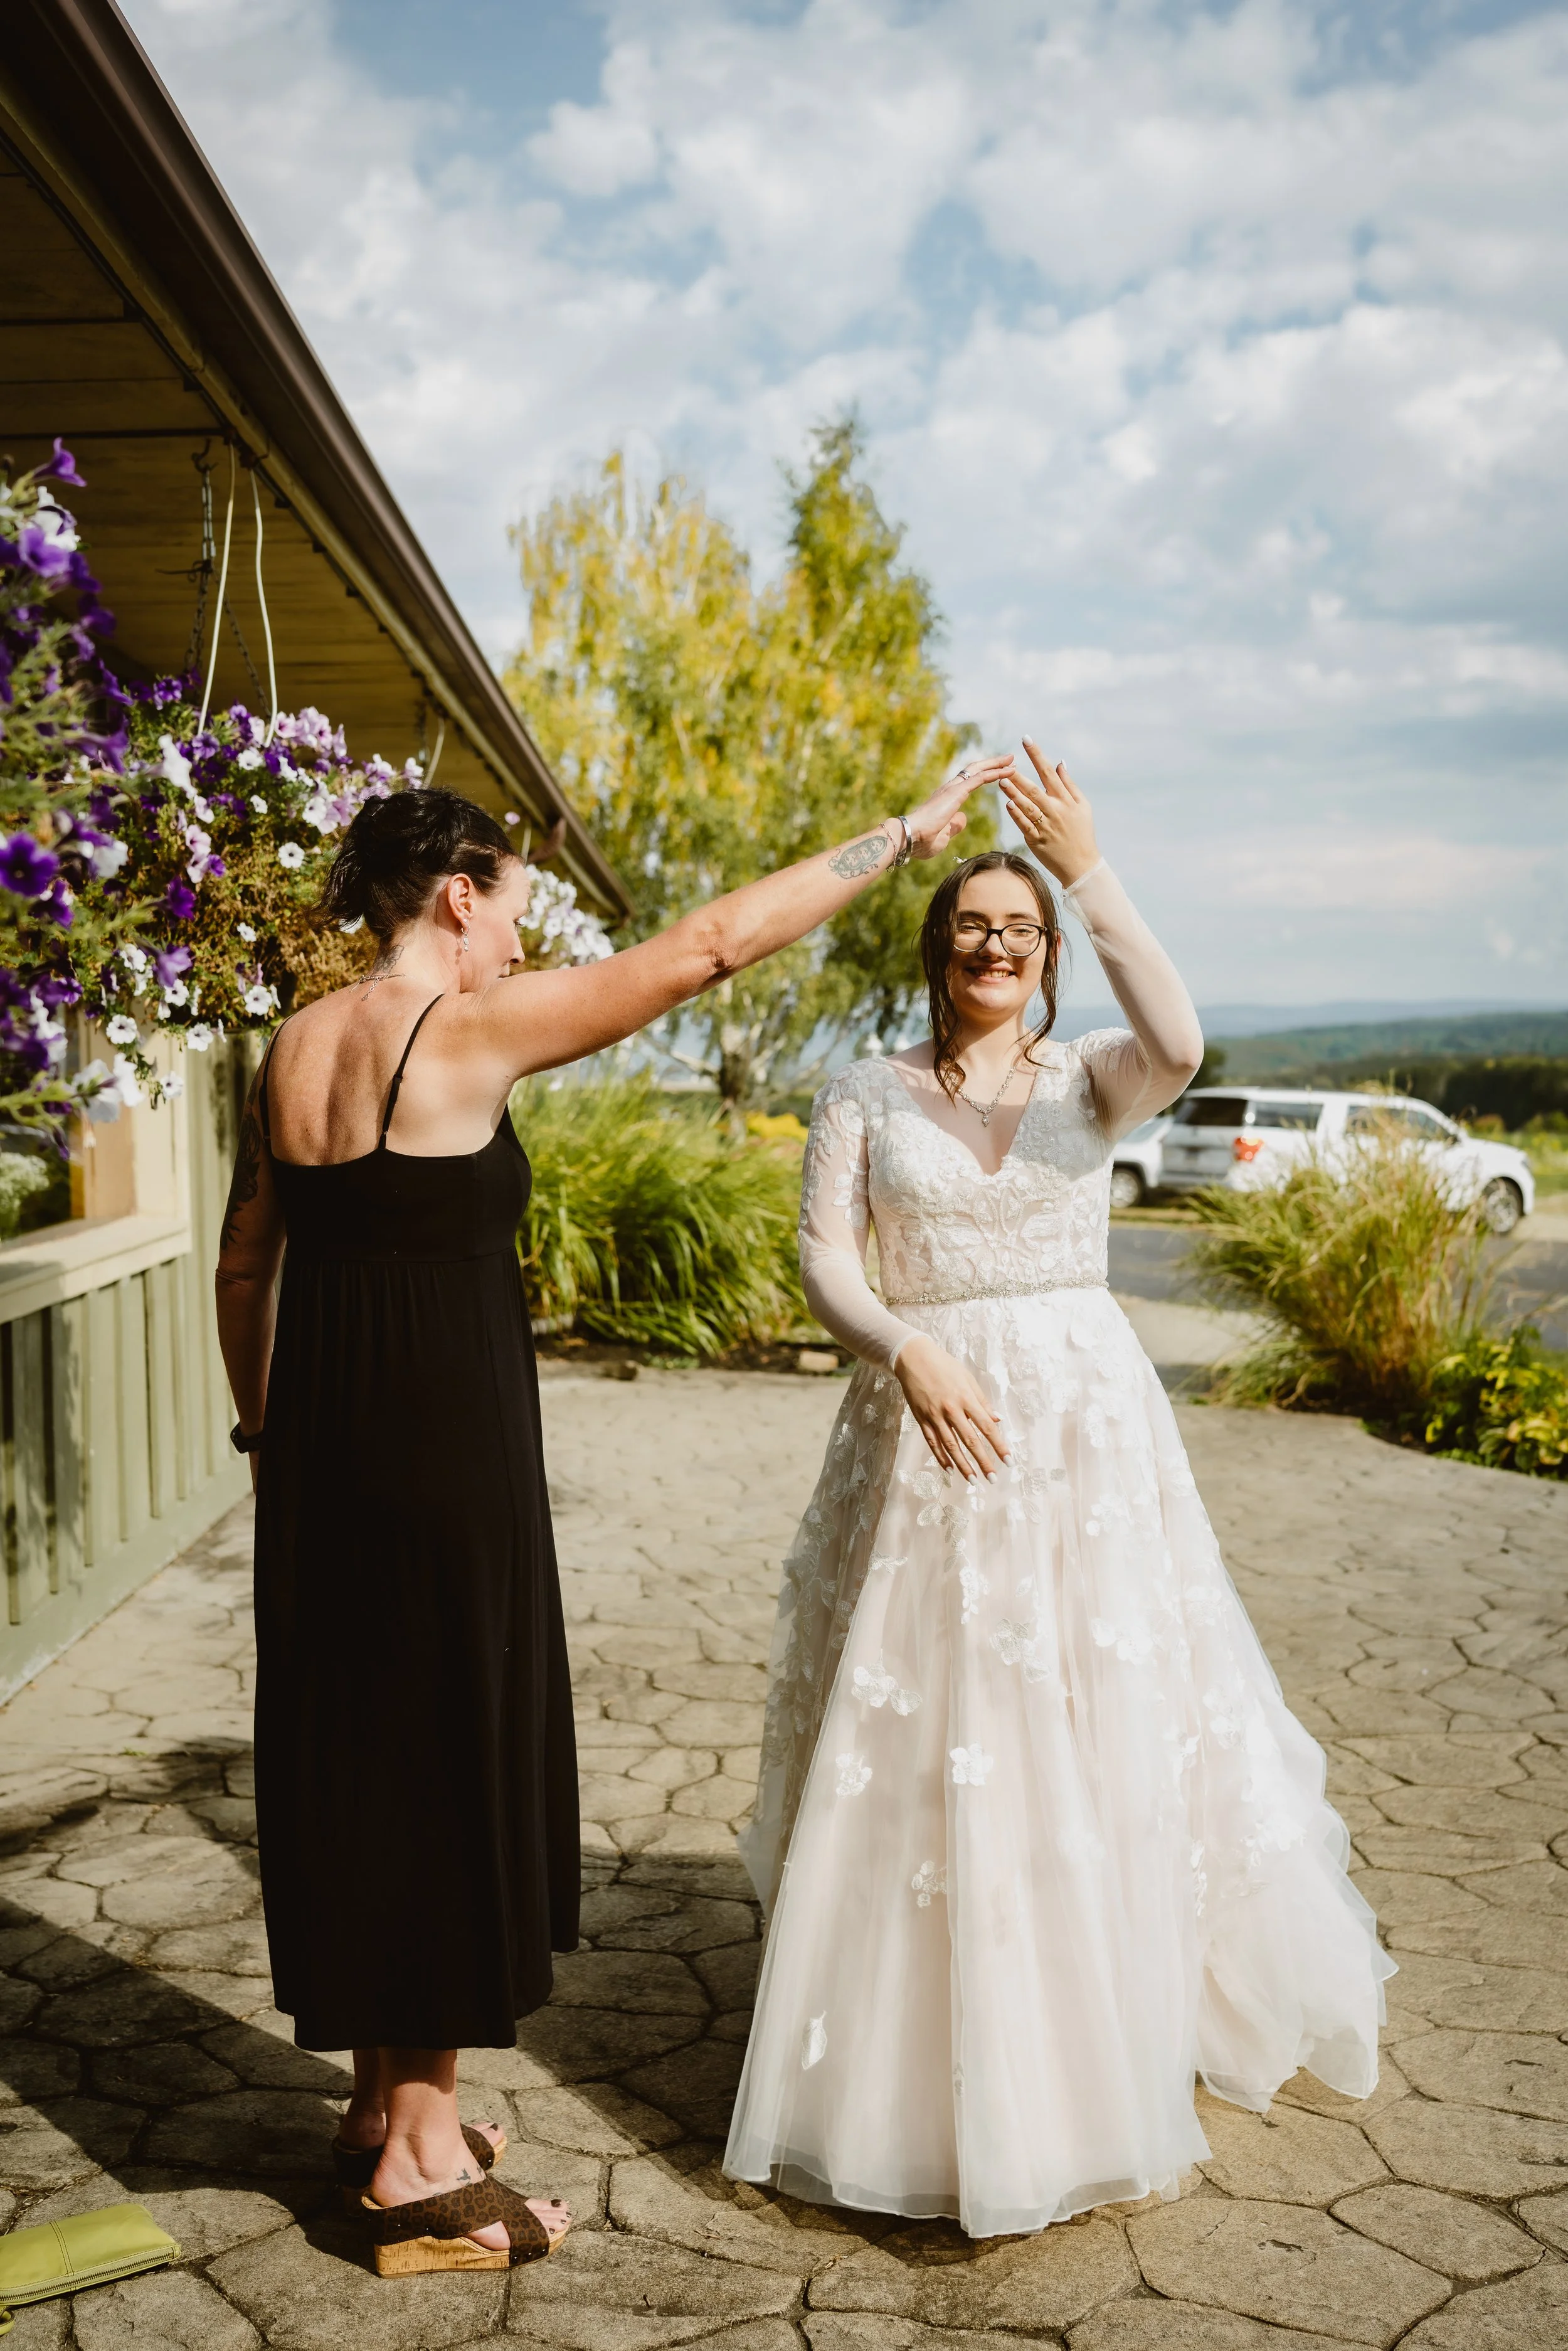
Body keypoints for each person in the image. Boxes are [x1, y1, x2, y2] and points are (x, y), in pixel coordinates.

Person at [212, 760, 1005, 2278]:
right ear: (457, 895)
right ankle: (421, 2172)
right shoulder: (460, 1027)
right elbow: (704, 947)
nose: (523, 938)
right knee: (446, 1753)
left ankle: (384, 2105)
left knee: (357, 1753)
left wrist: (265, 1432)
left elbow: (246, 1266)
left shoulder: (291, 1048)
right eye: (514, 906)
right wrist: (898, 836)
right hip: (445, 1462)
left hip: (321, 1454)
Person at [725, 742, 1392, 2239]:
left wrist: (1083, 866)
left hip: (1083, 1429)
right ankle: (915, 2037)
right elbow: (827, 1255)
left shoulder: (1098, 1073)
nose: (991, 945)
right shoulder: (863, 1087)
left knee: (1090, 1695)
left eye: (1016, 931)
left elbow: (1183, 1026)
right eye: (970, 924)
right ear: (935, 944)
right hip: (919, 1422)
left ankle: (1099, 2003)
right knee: (929, 1714)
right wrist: (900, 1348)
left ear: (1042, 957)